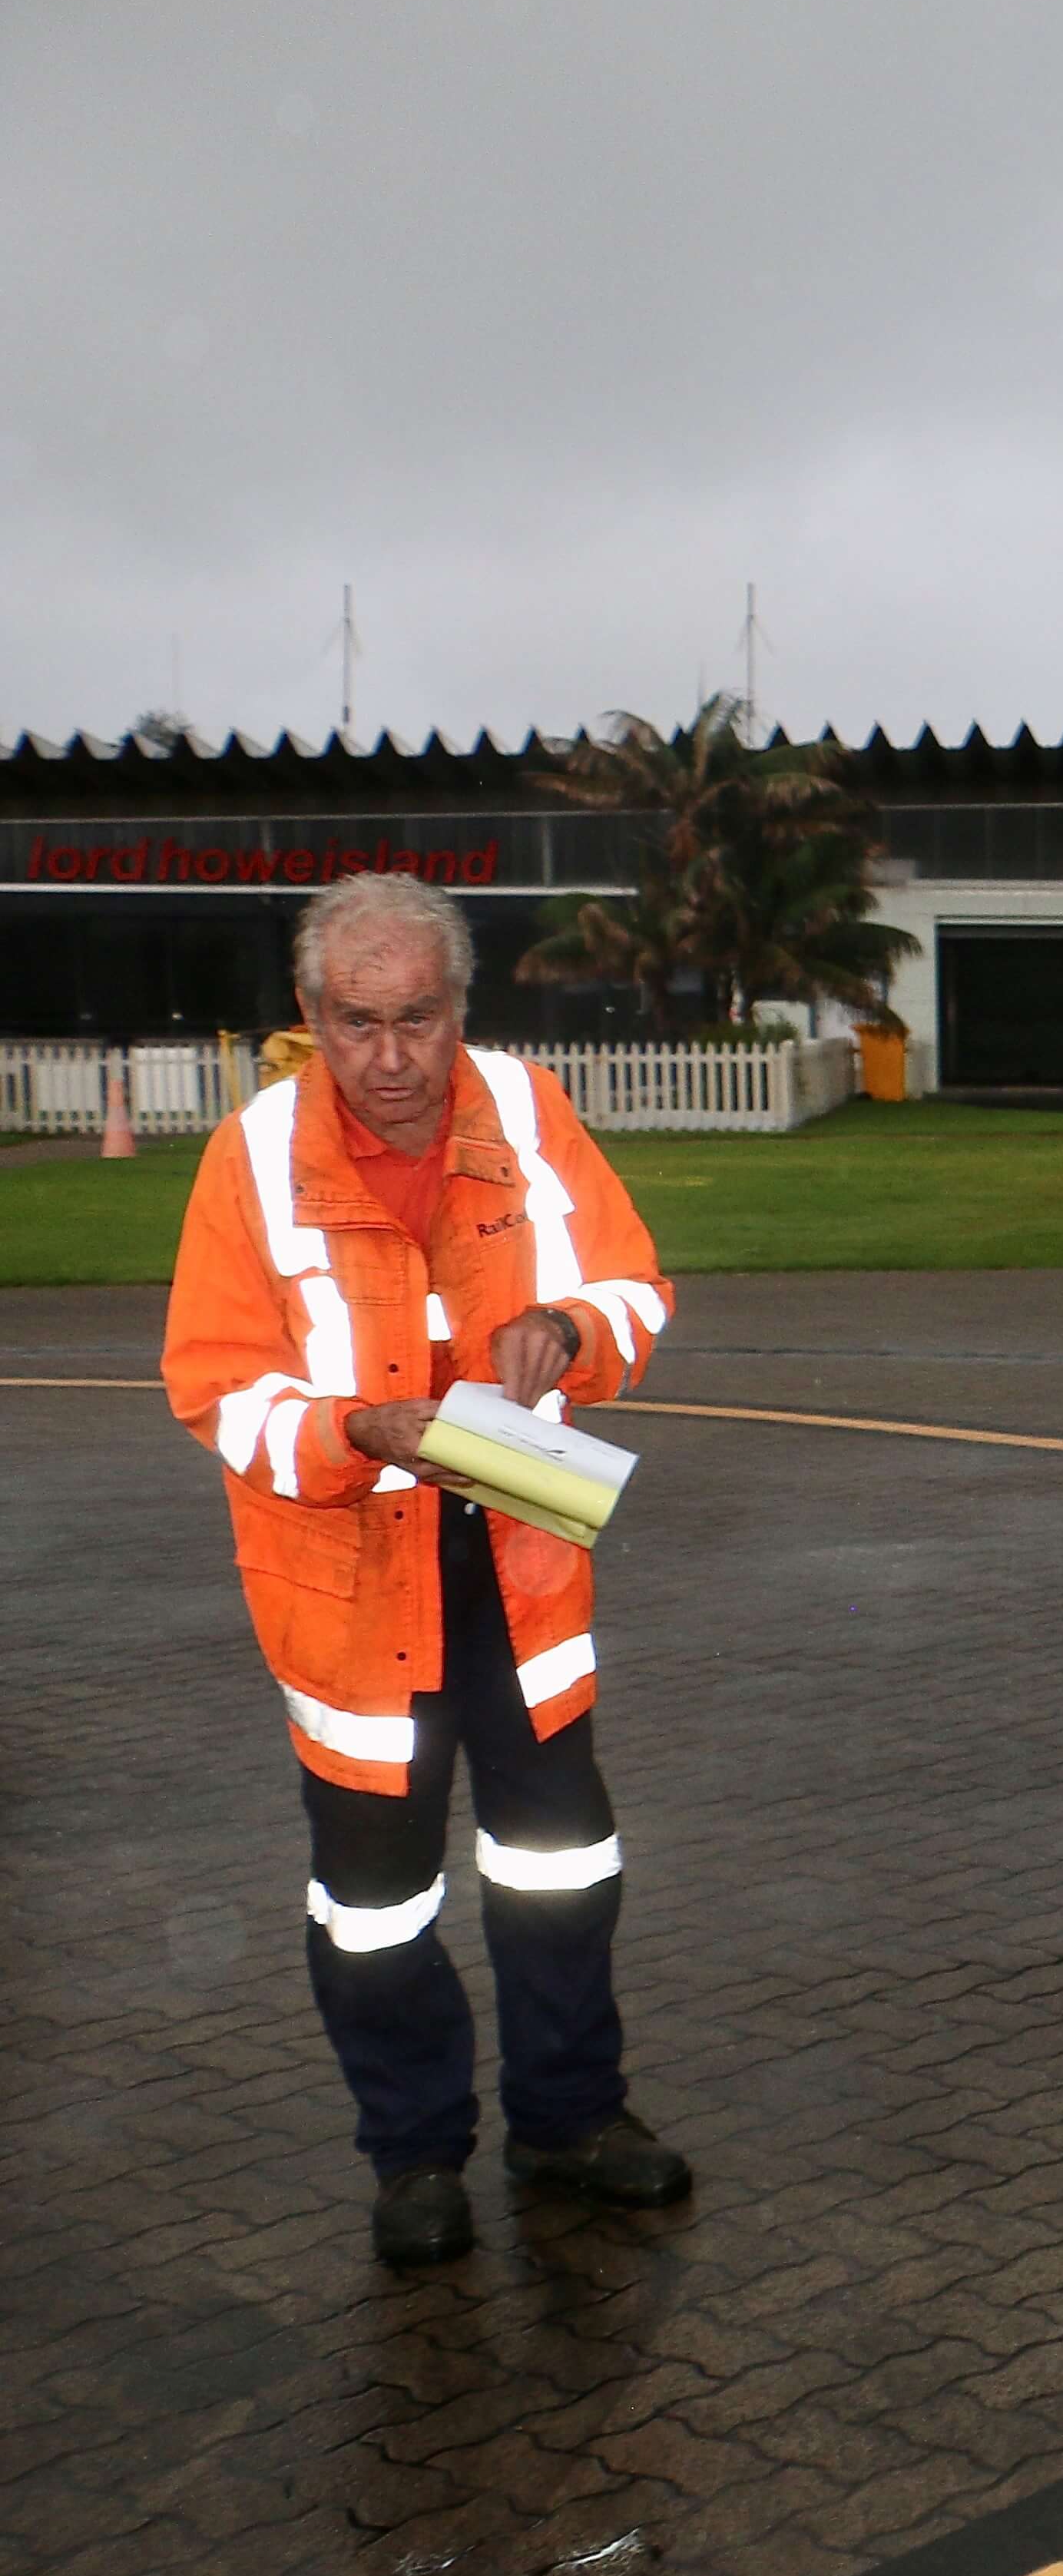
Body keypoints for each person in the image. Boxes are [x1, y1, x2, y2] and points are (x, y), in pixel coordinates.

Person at [161, 873, 687, 2267]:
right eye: (357, 1025)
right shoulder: (253, 1157)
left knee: (562, 1861)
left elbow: (637, 1284)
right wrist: (358, 1427)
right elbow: (215, 1389)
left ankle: (571, 2117)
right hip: (350, 1576)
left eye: (419, 1019)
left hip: (519, 1544)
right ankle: (413, 2153)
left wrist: (572, 1331)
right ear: (309, 1016)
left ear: (463, 1004)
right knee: (376, 1898)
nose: (392, 1061)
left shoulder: (525, 1109)